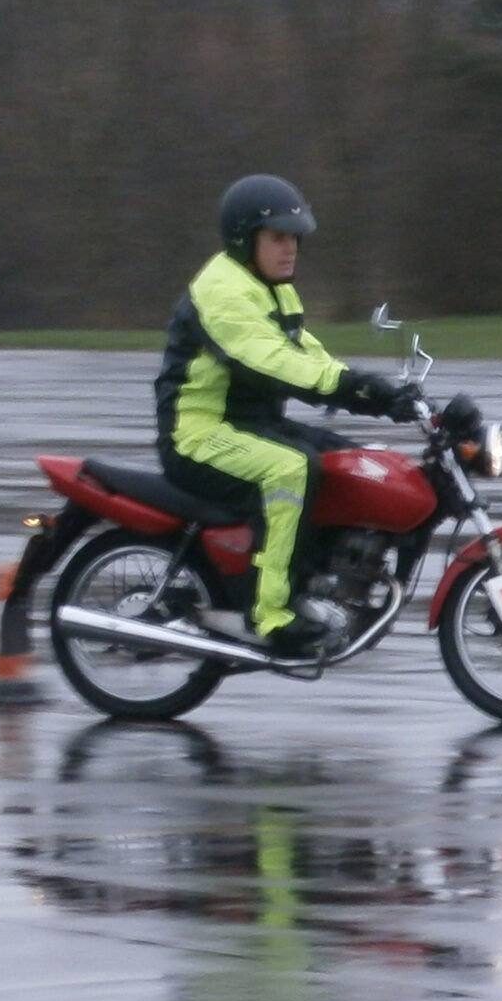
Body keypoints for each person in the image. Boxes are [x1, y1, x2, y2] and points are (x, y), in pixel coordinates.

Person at [156, 175, 419, 656]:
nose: (290, 248)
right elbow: (271, 361)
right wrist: (350, 387)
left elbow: (309, 357)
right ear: (244, 238)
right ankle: (271, 615)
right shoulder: (223, 291)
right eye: (278, 237)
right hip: (198, 434)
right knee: (290, 469)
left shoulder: (275, 289)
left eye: (295, 237)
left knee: (349, 461)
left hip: (249, 426)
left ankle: (323, 587)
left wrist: (376, 393)